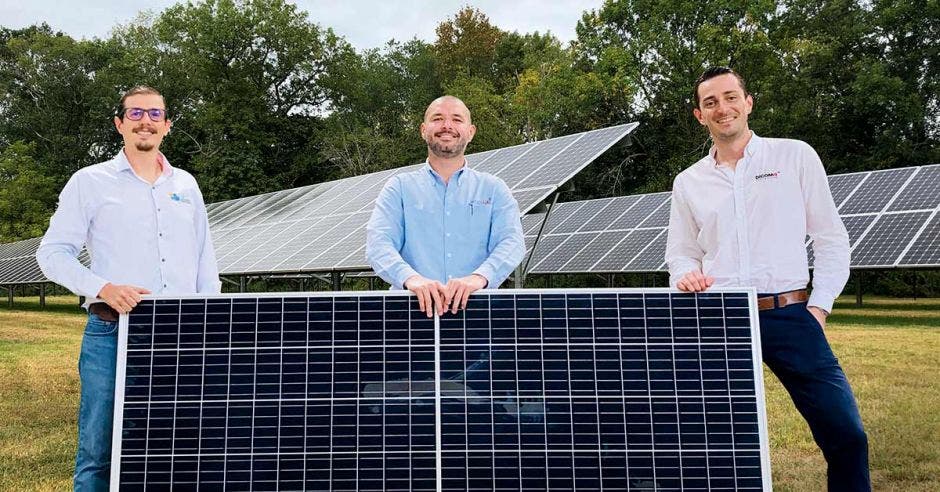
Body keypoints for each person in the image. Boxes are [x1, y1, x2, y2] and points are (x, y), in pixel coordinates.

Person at [665, 67, 869, 490]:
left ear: (748, 102)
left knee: (846, 433)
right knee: (711, 442)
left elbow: (831, 238)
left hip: (790, 314)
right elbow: (681, 252)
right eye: (711, 102)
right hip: (719, 317)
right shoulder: (688, 182)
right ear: (699, 115)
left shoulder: (794, 156)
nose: (723, 108)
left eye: (730, 96)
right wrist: (686, 274)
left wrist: (820, 305)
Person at [37, 86, 221, 491]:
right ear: (120, 124)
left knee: (178, 450)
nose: (145, 121)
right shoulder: (89, 182)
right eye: (135, 113)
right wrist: (103, 287)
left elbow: (205, 261)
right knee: (99, 454)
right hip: (113, 333)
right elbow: (51, 254)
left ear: (167, 126)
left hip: (182, 335)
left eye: (155, 114)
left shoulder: (186, 185)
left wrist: (214, 323)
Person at [366, 95, 525, 317]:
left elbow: (512, 242)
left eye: (457, 119)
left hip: (479, 316)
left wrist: (478, 278)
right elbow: (378, 244)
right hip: (408, 314)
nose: (447, 126)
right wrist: (412, 280)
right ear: (423, 130)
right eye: (438, 118)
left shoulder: (494, 188)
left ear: (470, 132)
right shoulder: (399, 188)